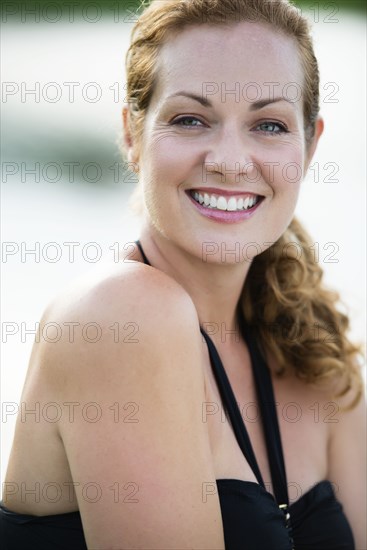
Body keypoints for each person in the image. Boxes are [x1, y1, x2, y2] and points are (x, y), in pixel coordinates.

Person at [1, 0, 365, 548]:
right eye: (191, 119)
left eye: (268, 125)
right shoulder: (120, 316)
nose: (230, 160)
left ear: (309, 147)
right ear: (131, 133)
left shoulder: (312, 348)